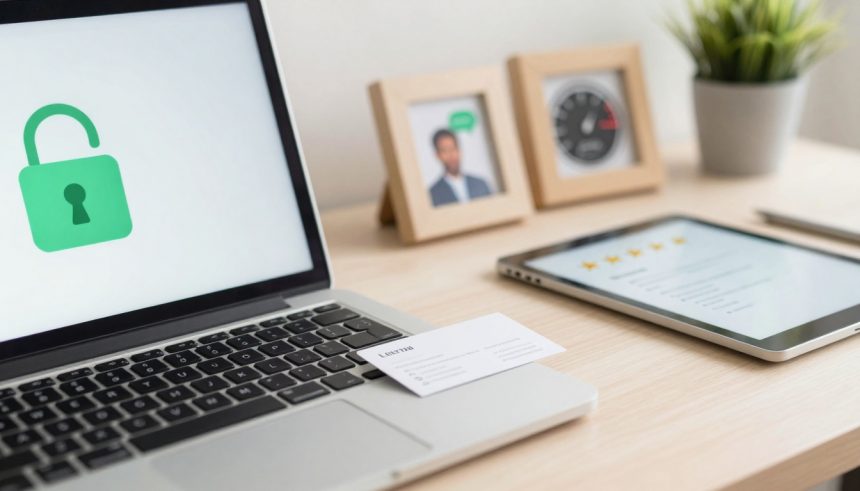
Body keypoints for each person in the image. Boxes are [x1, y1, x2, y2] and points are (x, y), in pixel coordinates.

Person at [428, 129, 492, 207]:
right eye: (445, 151)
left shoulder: (480, 185)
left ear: (459, 150)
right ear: (438, 155)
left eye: (453, 148)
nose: (451, 155)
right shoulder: (433, 194)